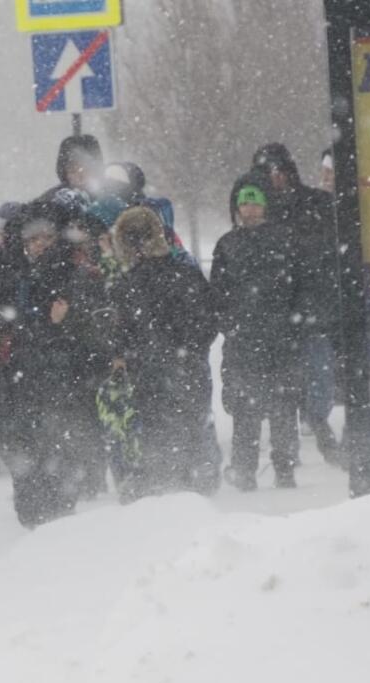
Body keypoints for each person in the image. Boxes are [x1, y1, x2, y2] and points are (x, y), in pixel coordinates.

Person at [4, 201, 108, 527]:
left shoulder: (74, 276)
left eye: (45, 238)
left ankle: (59, 517)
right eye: (32, 240)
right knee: (29, 451)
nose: (38, 246)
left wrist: (62, 323)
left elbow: (90, 330)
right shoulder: (15, 277)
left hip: (63, 379)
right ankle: (36, 514)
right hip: (25, 381)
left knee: (61, 450)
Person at [109, 206, 218, 500]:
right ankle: (197, 491)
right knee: (191, 430)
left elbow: (122, 334)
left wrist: (135, 357)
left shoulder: (127, 285)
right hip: (185, 371)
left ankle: (167, 493)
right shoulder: (185, 274)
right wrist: (189, 351)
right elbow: (208, 322)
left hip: (152, 375)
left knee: (159, 434)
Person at [211, 175, 304, 491]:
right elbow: (218, 294)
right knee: (245, 411)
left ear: (265, 205)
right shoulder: (227, 244)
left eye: (255, 201)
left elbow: (299, 288)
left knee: (282, 409)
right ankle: (244, 470)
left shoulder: (285, 239)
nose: (249, 208)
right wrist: (230, 324)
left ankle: (285, 469)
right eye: (244, 202)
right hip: (244, 342)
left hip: (279, 338)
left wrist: (293, 323)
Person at [251, 143, 341, 465]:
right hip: (278, 311)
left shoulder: (315, 204)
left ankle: (317, 422)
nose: (275, 179)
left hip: (312, 305)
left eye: (279, 171)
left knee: (318, 371)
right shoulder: (260, 215)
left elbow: (330, 251)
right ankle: (287, 454)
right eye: (268, 173)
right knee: (284, 385)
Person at [39, 134, 105, 202]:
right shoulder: (54, 199)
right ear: (65, 173)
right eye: (73, 170)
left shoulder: (108, 196)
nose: (80, 177)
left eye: (87, 169)